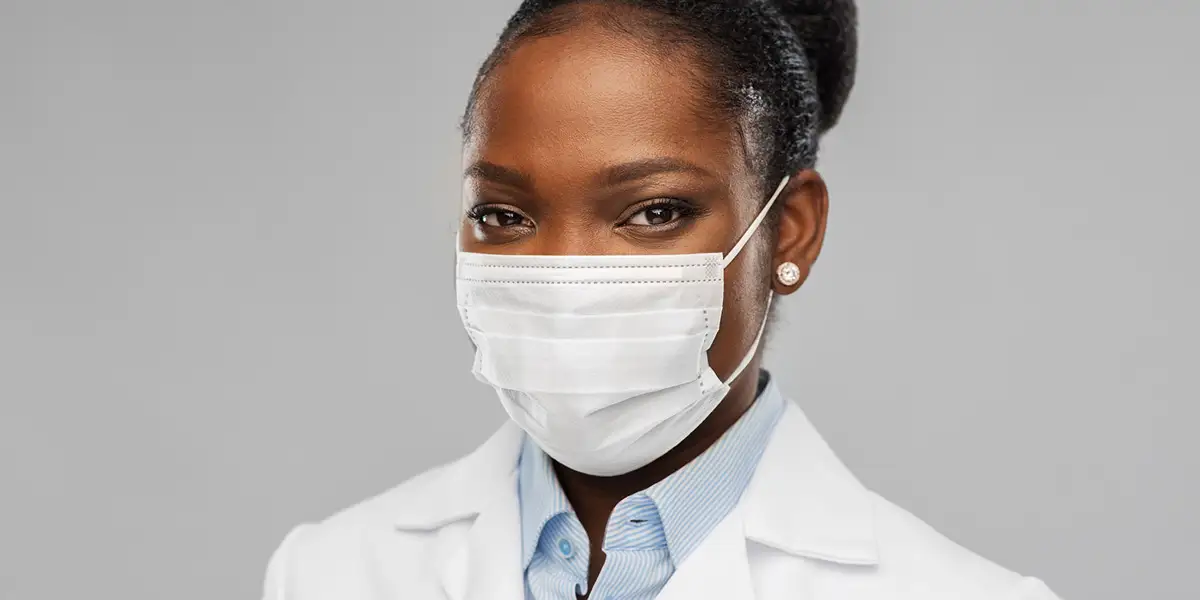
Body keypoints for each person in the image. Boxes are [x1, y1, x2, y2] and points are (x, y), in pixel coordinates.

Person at [262, 1, 1063, 598]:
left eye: (653, 212)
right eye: (504, 215)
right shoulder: (331, 572)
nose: (569, 276)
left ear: (789, 230)